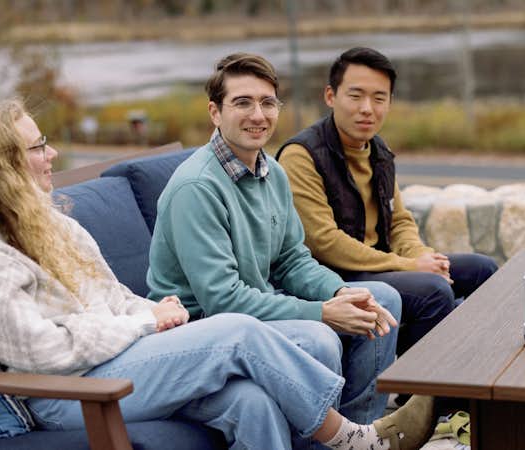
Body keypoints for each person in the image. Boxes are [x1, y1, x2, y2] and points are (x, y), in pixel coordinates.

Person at [0, 98, 430, 450]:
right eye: (36, 146)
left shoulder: (49, 225)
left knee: (265, 387)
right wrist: (144, 324)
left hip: (118, 361)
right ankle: (356, 439)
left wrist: (157, 315)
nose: (51, 155)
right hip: (65, 394)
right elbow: (42, 354)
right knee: (236, 333)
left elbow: (113, 296)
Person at [146, 53, 405, 427]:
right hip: (203, 326)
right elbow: (221, 299)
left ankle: (360, 429)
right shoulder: (197, 187)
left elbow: (291, 260)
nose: (258, 115)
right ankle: (330, 435)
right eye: (242, 103)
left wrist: (338, 293)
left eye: (268, 103)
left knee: (381, 299)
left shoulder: (274, 173)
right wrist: (321, 313)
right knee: (318, 338)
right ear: (215, 113)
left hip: (256, 306)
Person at [277, 47, 498, 363]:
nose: (367, 108)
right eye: (356, 96)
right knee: (433, 291)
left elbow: (400, 222)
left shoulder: (378, 150)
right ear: (330, 96)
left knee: (482, 270)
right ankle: (424, 397)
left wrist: (422, 256)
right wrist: (409, 266)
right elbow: (322, 241)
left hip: (377, 265)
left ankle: (467, 374)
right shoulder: (302, 155)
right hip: (333, 276)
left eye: (379, 98)